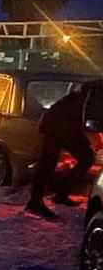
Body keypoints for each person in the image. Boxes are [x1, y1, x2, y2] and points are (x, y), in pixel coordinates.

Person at [26, 85, 94, 219]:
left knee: (86, 157)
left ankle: (61, 193)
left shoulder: (92, 91)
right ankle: (35, 203)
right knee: (47, 163)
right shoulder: (92, 93)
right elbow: (77, 119)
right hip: (56, 125)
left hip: (63, 124)